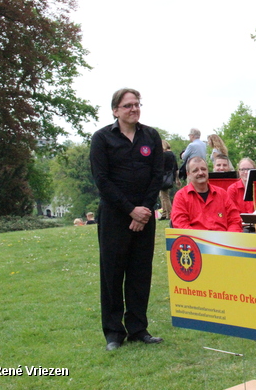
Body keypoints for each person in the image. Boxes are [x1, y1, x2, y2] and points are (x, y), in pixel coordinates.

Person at [90, 88, 164, 351]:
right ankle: (113, 333)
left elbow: (157, 175)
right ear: (115, 110)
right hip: (114, 216)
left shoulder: (151, 136)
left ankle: (138, 328)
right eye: (127, 105)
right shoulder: (101, 138)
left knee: (139, 273)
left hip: (144, 216)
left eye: (137, 104)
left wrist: (143, 210)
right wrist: (129, 210)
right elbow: (101, 180)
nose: (134, 109)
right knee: (112, 274)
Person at [171, 157, 242, 231]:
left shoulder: (222, 194)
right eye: (195, 170)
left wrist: (229, 237)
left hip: (223, 240)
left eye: (203, 169)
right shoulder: (181, 196)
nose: (201, 173)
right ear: (188, 174)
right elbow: (181, 225)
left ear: (208, 170)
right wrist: (203, 240)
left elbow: (235, 220)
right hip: (195, 241)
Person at [227, 157, 256, 232]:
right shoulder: (232, 189)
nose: (246, 172)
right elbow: (231, 214)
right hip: (240, 227)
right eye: (243, 169)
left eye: (249, 169)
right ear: (239, 171)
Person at [159, 140, 179, 221]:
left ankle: (169, 213)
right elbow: (176, 167)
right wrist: (177, 179)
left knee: (164, 196)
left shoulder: (164, 155)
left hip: (164, 177)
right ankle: (164, 212)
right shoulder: (172, 154)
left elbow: (160, 166)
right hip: (171, 177)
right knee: (162, 195)